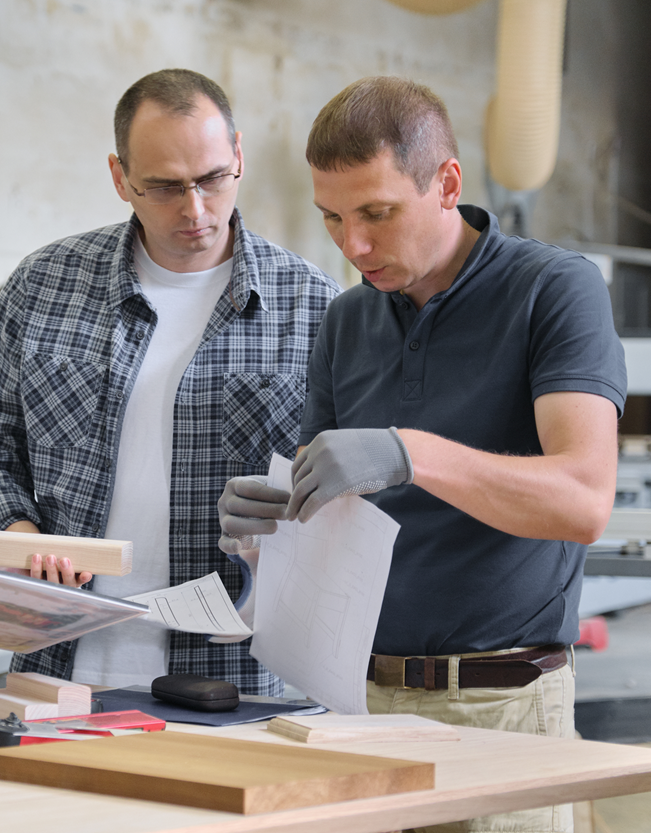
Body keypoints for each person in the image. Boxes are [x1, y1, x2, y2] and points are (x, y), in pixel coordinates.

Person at [218, 77, 626, 832]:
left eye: (377, 213)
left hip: (500, 706)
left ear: (447, 183)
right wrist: (267, 530)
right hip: (359, 704)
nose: (354, 245)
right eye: (333, 218)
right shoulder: (346, 320)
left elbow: (584, 500)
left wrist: (412, 453)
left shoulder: (554, 291)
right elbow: (330, 509)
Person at [0, 68, 338, 696]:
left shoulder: (313, 308)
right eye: (165, 187)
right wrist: (20, 533)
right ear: (120, 178)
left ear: (239, 156)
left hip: (238, 681)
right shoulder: (44, 287)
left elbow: (340, 506)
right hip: (60, 666)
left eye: (213, 179)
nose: (195, 210)